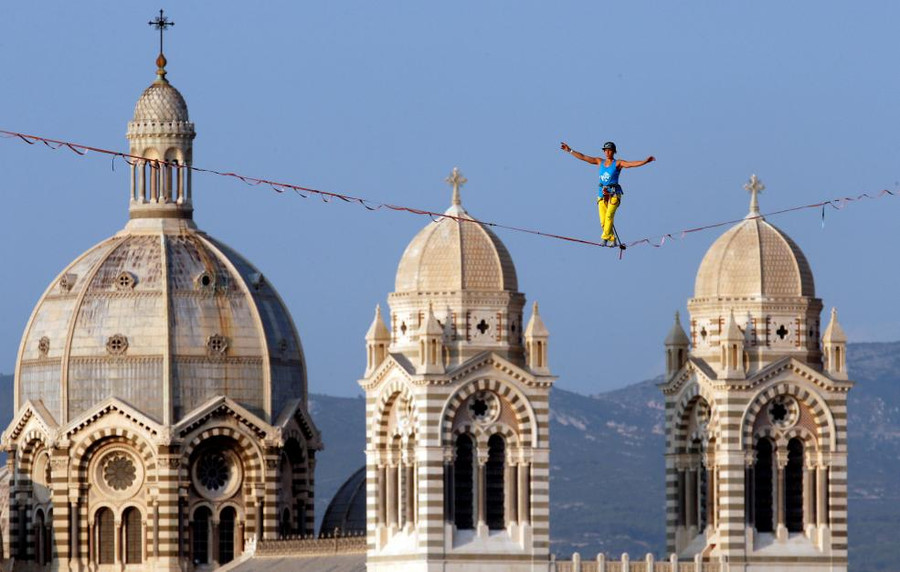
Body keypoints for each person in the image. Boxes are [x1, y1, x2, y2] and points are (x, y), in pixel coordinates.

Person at [560, 141, 655, 246]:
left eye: (609, 150)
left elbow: (630, 164)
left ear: (614, 152)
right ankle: (612, 238)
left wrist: (644, 161)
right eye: (605, 150)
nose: (607, 152)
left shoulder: (618, 163)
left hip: (614, 194)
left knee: (609, 215)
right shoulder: (599, 161)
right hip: (601, 195)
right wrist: (569, 150)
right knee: (603, 221)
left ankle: (605, 238)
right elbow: (583, 157)